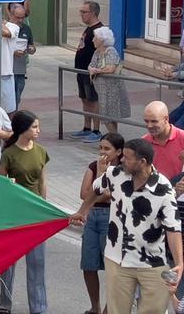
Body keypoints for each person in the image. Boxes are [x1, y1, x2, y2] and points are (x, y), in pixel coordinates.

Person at [72, 138, 183, 314]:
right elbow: (96, 188)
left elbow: (173, 229)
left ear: (142, 162)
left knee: (154, 311)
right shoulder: (114, 174)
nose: (122, 160)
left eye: (127, 158)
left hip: (152, 263)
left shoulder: (164, 189)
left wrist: (179, 263)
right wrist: (82, 210)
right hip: (117, 260)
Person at [0, 111, 49, 314]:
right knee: (8, 261)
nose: (38, 131)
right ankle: (5, 302)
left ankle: (39, 308)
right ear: (22, 129)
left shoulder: (41, 151)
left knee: (37, 262)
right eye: (34, 127)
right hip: (13, 214)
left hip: (35, 214)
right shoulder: (8, 154)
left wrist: (44, 207)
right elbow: (0, 183)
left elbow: (43, 182)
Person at [79, 133, 124, 314]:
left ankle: (108, 308)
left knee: (112, 267)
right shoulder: (94, 165)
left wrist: (101, 179)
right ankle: (95, 306)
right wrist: (101, 189)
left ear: (118, 151)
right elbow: (85, 193)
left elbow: (110, 194)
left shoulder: (122, 170)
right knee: (88, 264)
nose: (102, 152)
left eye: (107, 149)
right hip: (92, 216)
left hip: (111, 217)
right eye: (101, 148)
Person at [70, 1, 104, 142]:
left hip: (91, 72)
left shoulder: (99, 30)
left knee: (93, 100)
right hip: (82, 70)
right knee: (85, 99)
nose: (81, 15)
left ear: (93, 13)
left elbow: (102, 52)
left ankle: (96, 130)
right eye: (81, 12)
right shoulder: (89, 29)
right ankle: (86, 127)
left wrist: (96, 69)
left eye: (84, 12)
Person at [87, 27, 129, 136]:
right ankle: (115, 138)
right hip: (102, 91)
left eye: (95, 38)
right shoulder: (97, 52)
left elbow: (111, 69)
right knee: (109, 116)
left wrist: (96, 71)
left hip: (112, 90)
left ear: (102, 40)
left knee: (106, 117)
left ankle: (116, 138)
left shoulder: (110, 51)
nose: (93, 40)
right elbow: (91, 65)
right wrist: (92, 69)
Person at [142, 100, 184, 180]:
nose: (149, 125)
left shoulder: (183, 138)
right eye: (146, 121)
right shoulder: (143, 142)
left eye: (154, 121)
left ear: (166, 119)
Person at [9, 4, 35, 110]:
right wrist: (13, 52)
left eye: (22, 17)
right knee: (9, 99)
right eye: (17, 17)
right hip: (8, 69)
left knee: (17, 98)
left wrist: (31, 49)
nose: (20, 20)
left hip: (20, 69)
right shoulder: (6, 29)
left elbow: (31, 45)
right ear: (11, 15)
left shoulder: (26, 29)